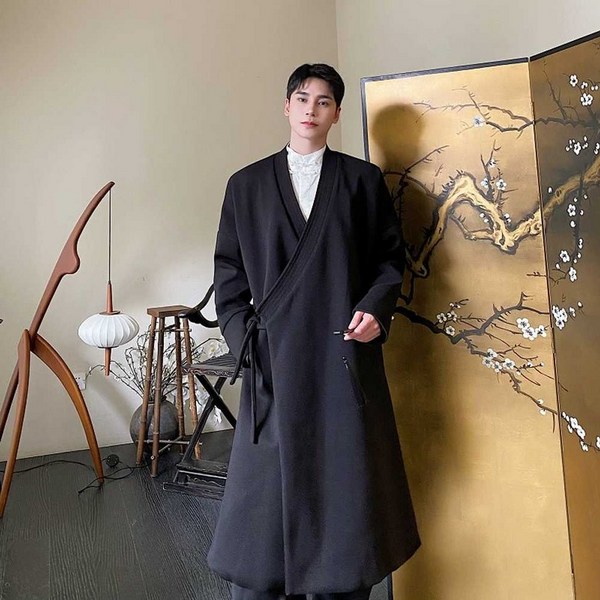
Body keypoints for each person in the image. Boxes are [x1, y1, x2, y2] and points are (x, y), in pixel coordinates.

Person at [208, 63, 420, 600]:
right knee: (260, 523)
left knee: (345, 501)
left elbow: (389, 261)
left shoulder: (362, 182)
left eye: (323, 101)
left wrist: (375, 311)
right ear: (286, 107)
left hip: (341, 361)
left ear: (337, 113)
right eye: (302, 99)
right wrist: (244, 340)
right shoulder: (246, 185)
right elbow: (228, 274)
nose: (311, 109)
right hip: (273, 363)